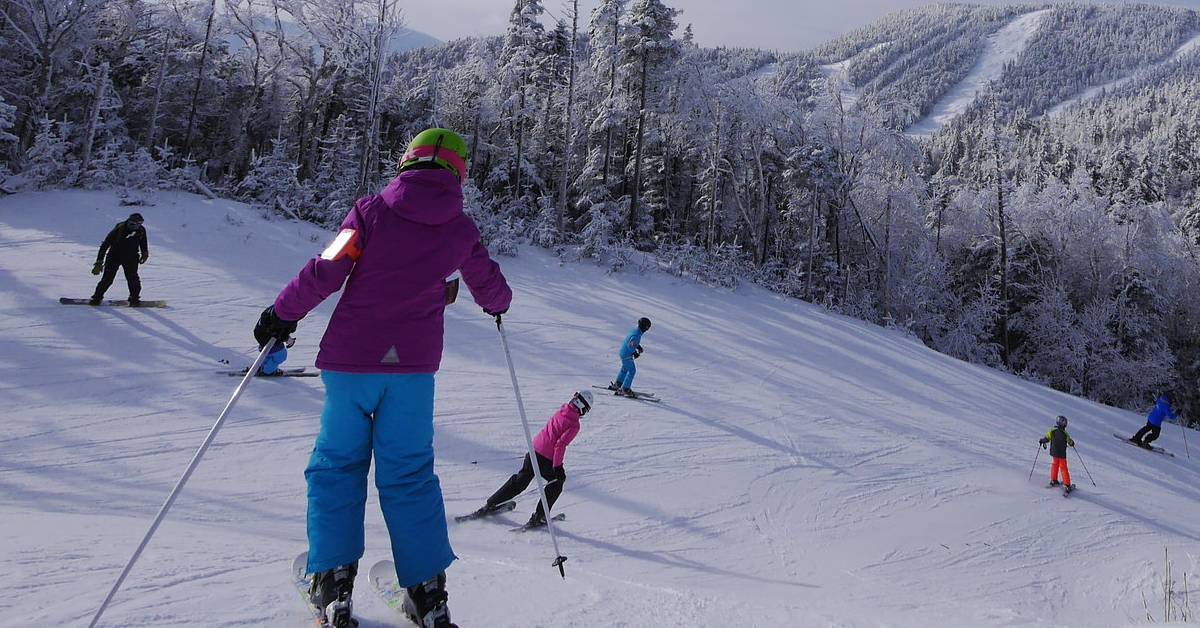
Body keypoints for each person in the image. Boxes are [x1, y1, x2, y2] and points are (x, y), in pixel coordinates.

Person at [254, 128, 511, 628]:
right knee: (410, 474)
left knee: (336, 467)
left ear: (406, 163)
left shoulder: (371, 213)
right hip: (412, 372)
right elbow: (490, 287)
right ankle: (427, 594)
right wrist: (497, 306)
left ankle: (332, 584)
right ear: (459, 173)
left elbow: (326, 268)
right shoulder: (460, 229)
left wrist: (281, 313)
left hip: (352, 366)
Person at [468, 390, 592, 528]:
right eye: (586, 410)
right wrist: (558, 467)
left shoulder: (562, 409)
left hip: (534, 450)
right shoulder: (574, 424)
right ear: (582, 407)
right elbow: (560, 445)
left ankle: (491, 504)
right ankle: (539, 516)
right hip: (546, 458)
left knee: (521, 481)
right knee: (556, 483)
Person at [90, 212, 148, 305]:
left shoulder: (141, 230)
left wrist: (145, 253)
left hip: (131, 257)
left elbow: (143, 242)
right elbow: (105, 245)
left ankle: (134, 298)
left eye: (139, 224)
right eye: (132, 224)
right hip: (114, 256)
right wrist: (99, 261)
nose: (135, 226)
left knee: (133, 279)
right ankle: (97, 297)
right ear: (128, 221)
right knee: (107, 279)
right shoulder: (119, 229)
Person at [609, 317, 651, 396]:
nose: (647, 330)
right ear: (644, 327)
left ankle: (618, 384)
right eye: (647, 328)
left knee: (625, 368)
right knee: (632, 371)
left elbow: (631, 341)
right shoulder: (637, 335)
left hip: (623, 352)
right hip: (627, 354)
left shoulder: (635, 330)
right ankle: (625, 389)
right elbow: (631, 345)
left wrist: (638, 347)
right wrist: (634, 352)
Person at [1040, 415, 1075, 492]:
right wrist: (1071, 443)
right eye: (1064, 423)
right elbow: (1069, 441)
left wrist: (1043, 440)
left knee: (1055, 465)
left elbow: (1047, 438)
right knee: (1063, 468)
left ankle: (1054, 480)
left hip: (1054, 453)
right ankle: (1067, 484)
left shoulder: (1052, 430)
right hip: (1061, 454)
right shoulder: (1065, 433)